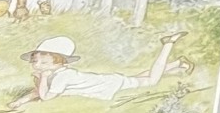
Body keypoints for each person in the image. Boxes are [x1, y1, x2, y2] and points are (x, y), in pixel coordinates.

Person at [21, 33, 190, 103]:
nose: (37, 65)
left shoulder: (61, 77)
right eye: (35, 61)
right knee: (140, 77)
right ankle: (178, 64)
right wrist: (20, 101)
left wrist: (42, 78)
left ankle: (168, 44)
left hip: (109, 84)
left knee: (151, 81)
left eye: (44, 63)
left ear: (60, 63)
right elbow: (39, 92)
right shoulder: (58, 73)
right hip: (108, 80)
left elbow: (45, 97)